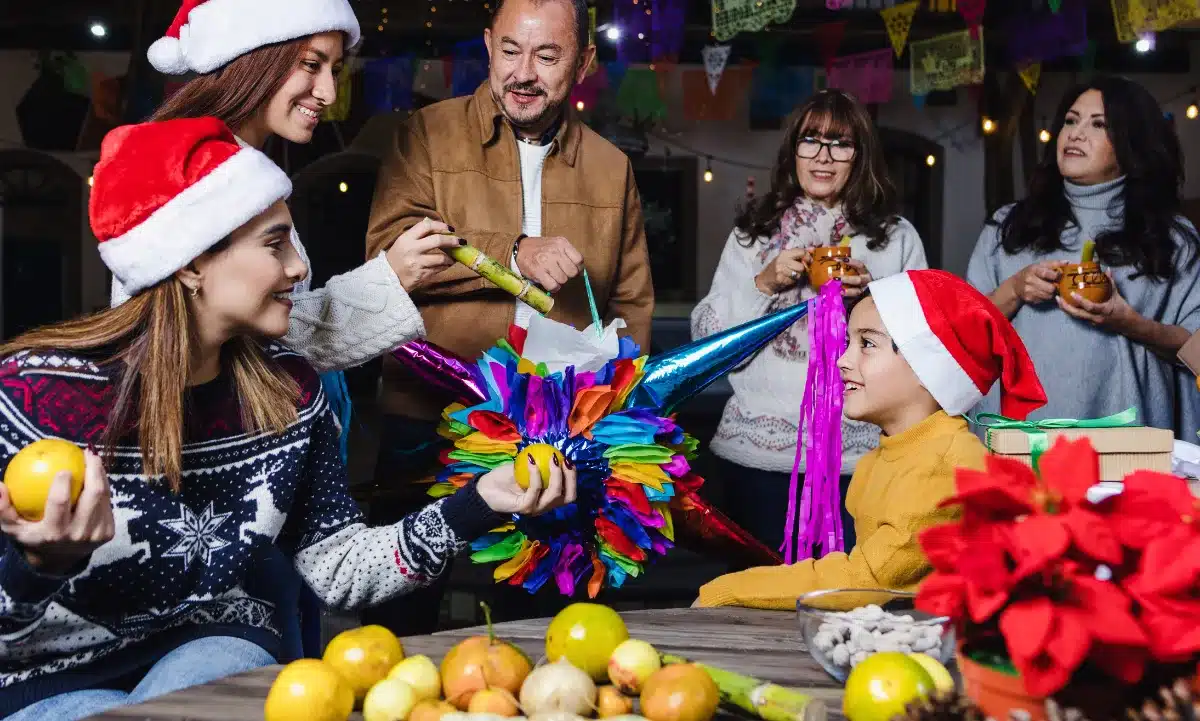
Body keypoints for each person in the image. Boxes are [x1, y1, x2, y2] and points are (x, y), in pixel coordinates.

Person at [0, 118, 574, 721]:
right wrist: (39, 567)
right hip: (49, 681)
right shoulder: (33, 395)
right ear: (192, 263)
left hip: (210, 652)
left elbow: (341, 566)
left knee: (224, 663)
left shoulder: (289, 391)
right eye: (275, 244)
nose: (299, 268)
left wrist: (479, 502)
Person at [362, 0, 654, 633]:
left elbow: (631, 305)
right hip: (429, 415)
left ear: (584, 62)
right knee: (401, 610)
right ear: (488, 44)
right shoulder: (425, 134)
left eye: (547, 56)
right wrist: (514, 254)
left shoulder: (612, 168)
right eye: (510, 51)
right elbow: (387, 251)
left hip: (561, 435)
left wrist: (614, 422)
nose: (524, 72)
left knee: (546, 617)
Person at [110, 0, 460, 373]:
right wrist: (388, 280)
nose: (328, 93)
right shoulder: (192, 175)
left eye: (335, 70)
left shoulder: (241, 165)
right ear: (254, 56)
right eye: (310, 65)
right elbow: (211, 350)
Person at [695, 270, 1047, 609]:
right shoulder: (888, 454)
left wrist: (731, 589)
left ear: (928, 366)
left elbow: (862, 581)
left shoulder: (942, 465)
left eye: (866, 344)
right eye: (849, 342)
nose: (842, 360)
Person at [690, 89, 927, 553]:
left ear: (860, 155)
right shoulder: (753, 234)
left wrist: (874, 298)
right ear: (793, 149)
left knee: (853, 591)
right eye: (811, 139)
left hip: (861, 462)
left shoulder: (895, 238)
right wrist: (763, 283)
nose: (823, 156)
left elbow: (923, 354)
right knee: (756, 593)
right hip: (757, 460)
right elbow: (705, 343)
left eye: (840, 143)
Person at [967, 76, 1200, 439]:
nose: (1076, 134)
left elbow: (1195, 349)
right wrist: (1014, 290)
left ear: (1132, 143)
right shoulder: (1009, 227)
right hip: (1020, 442)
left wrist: (1129, 323)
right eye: (1071, 121)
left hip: (1129, 442)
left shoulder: (1170, 238)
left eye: (1098, 125)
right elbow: (963, 337)